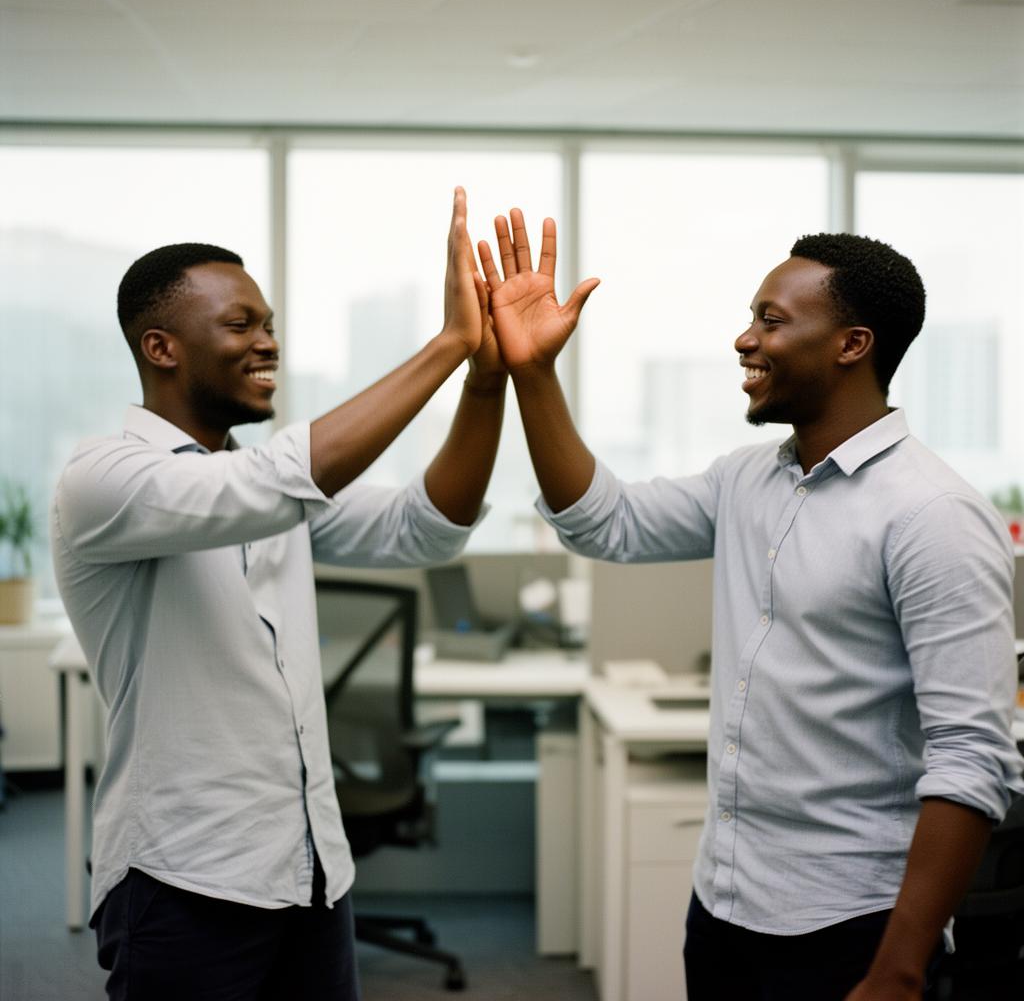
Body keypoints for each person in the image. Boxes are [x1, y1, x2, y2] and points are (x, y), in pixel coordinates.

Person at [477, 210, 1024, 1001]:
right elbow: (605, 521)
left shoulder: (931, 514)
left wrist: (899, 972)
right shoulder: (746, 480)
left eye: (771, 320)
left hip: (856, 928)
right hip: (727, 906)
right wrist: (533, 373)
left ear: (852, 344)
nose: (744, 340)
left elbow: (972, 759)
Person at [51, 188, 507, 1001]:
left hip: (310, 872)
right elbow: (273, 480)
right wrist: (447, 344)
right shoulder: (104, 481)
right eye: (241, 326)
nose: (268, 343)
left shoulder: (272, 496)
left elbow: (428, 525)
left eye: (269, 325)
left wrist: (485, 379)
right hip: (183, 877)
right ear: (162, 347)